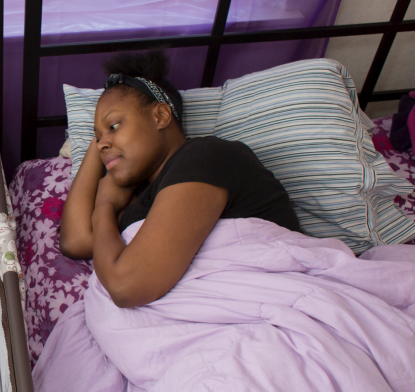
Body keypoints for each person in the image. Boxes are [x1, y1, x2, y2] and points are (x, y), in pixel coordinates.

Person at [59, 50, 301, 308]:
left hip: (269, 299)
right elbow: (76, 241)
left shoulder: (205, 156)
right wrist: (103, 142)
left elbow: (126, 286)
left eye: (115, 126)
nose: (101, 145)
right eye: (97, 138)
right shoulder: (141, 201)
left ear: (160, 116)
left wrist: (104, 205)